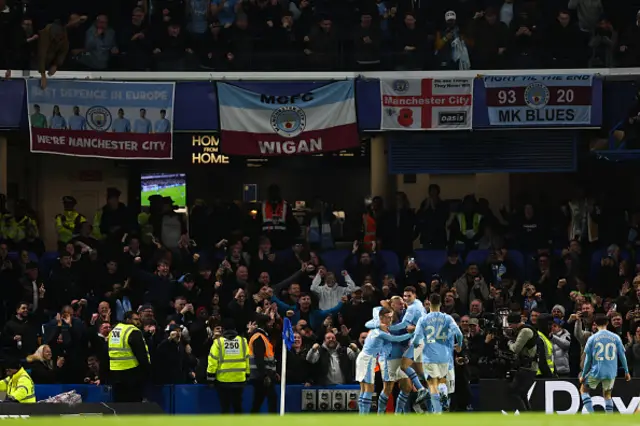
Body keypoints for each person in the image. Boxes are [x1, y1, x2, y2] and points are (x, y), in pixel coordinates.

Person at [355, 307, 413, 415]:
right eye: (387, 317)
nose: (390, 320)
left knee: (364, 388)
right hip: (368, 358)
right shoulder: (379, 331)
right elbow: (396, 339)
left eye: (391, 317)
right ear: (381, 318)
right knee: (368, 388)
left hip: (364, 358)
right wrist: (412, 334)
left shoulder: (375, 328)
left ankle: (362, 416)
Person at [413, 293, 462, 414]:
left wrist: (416, 346)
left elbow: (416, 339)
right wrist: (459, 345)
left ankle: (437, 412)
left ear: (429, 303)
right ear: (440, 304)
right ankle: (444, 395)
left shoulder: (423, 319)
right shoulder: (447, 318)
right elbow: (459, 334)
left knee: (432, 384)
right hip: (445, 356)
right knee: (442, 381)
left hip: (429, 356)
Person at [579, 314, 630, 414]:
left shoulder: (592, 339)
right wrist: (626, 371)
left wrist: (584, 374)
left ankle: (592, 415)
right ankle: (608, 420)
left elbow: (588, 359)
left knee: (583, 390)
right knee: (607, 395)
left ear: (595, 324)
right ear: (607, 323)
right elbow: (622, 356)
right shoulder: (616, 337)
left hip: (596, 371)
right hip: (611, 372)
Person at [207, 319, 250, 414]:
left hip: (223, 380)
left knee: (225, 407)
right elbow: (247, 359)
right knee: (238, 407)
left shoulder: (218, 342)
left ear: (223, 329)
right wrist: (247, 375)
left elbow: (212, 361)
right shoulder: (243, 341)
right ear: (235, 329)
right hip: (239, 379)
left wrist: (210, 378)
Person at [108, 311, 151, 402]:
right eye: (135, 319)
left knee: (119, 404)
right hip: (131, 372)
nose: (138, 322)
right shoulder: (133, 330)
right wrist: (146, 370)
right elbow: (141, 354)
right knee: (133, 405)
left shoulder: (114, 330)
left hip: (115, 372)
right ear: (128, 320)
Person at [503, 312, 539, 412]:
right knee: (522, 394)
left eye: (510, 324)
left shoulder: (525, 331)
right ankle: (529, 418)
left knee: (513, 393)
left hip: (527, 368)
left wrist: (509, 342)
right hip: (527, 367)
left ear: (515, 323)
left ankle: (525, 418)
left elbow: (515, 348)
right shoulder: (525, 329)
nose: (510, 327)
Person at [248, 315, 277, 413]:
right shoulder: (259, 337)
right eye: (270, 323)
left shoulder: (261, 336)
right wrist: (265, 375)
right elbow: (259, 358)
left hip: (261, 375)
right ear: (265, 324)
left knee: (258, 401)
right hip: (262, 376)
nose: (271, 325)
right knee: (272, 398)